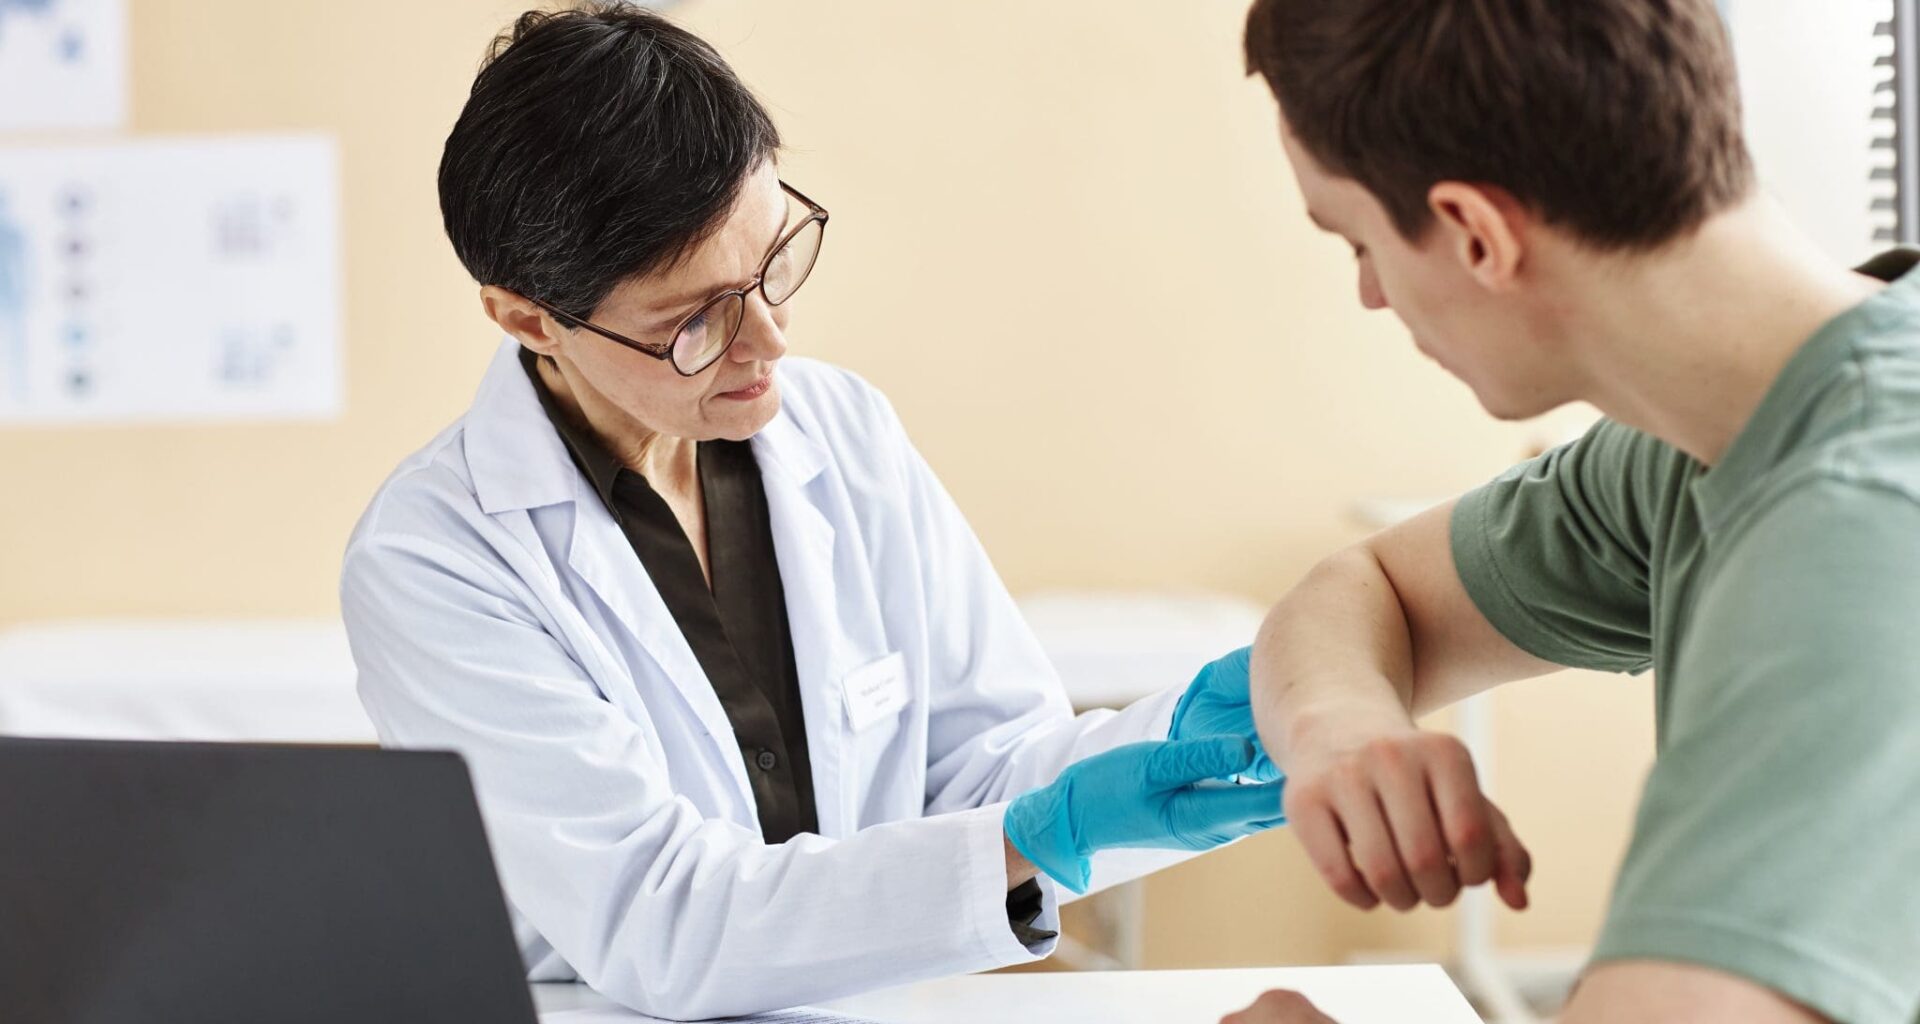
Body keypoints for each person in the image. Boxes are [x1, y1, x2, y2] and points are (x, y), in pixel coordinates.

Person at [339, 5, 1281, 1020]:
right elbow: (660, 922)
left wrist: (1159, 753)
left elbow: (988, 776)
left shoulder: (842, 429)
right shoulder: (435, 556)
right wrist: (1032, 835)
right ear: (530, 318)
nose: (770, 342)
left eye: (773, 262)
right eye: (694, 321)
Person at [1223, 0, 1920, 1021]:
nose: (1373, 293)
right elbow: (1362, 588)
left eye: (1359, 243)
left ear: (1473, 234)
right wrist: (1345, 730)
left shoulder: (1858, 527)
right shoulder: (1706, 436)